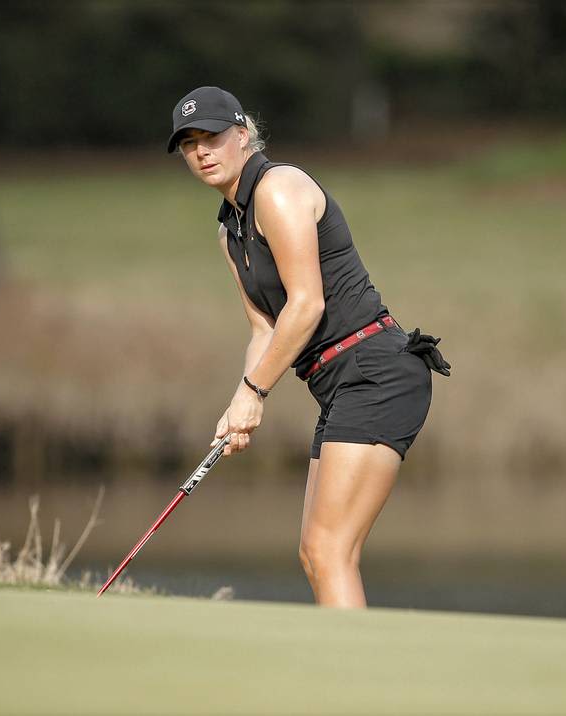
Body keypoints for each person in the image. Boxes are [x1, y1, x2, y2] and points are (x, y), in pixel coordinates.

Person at [166, 86, 450, 608]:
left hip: (376, 371)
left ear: (243, 134)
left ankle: (352, 680)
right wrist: (238, 407)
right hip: (340, 383)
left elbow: (306, 306)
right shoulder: (231, 230)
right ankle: (346, 673)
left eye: (212, 137)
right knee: (314, 552)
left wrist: (255, 392)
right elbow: (264, 330)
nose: (201, 151)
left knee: (329, 548)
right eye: (189, 144)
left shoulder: (279, 188)